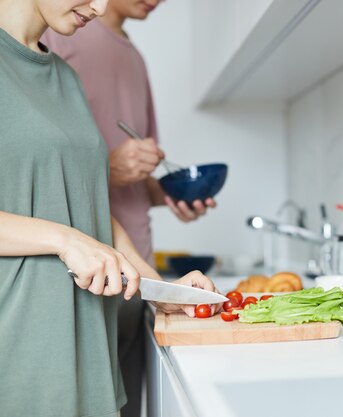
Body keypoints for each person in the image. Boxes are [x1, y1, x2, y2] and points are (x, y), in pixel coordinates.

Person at [0, 1, 219, 416]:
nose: (100, 7)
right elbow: (72, 230)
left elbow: (89, 203)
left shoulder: (66, 78)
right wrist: (64, 239)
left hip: (87, 347)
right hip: (17, 350)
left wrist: (162, 292)